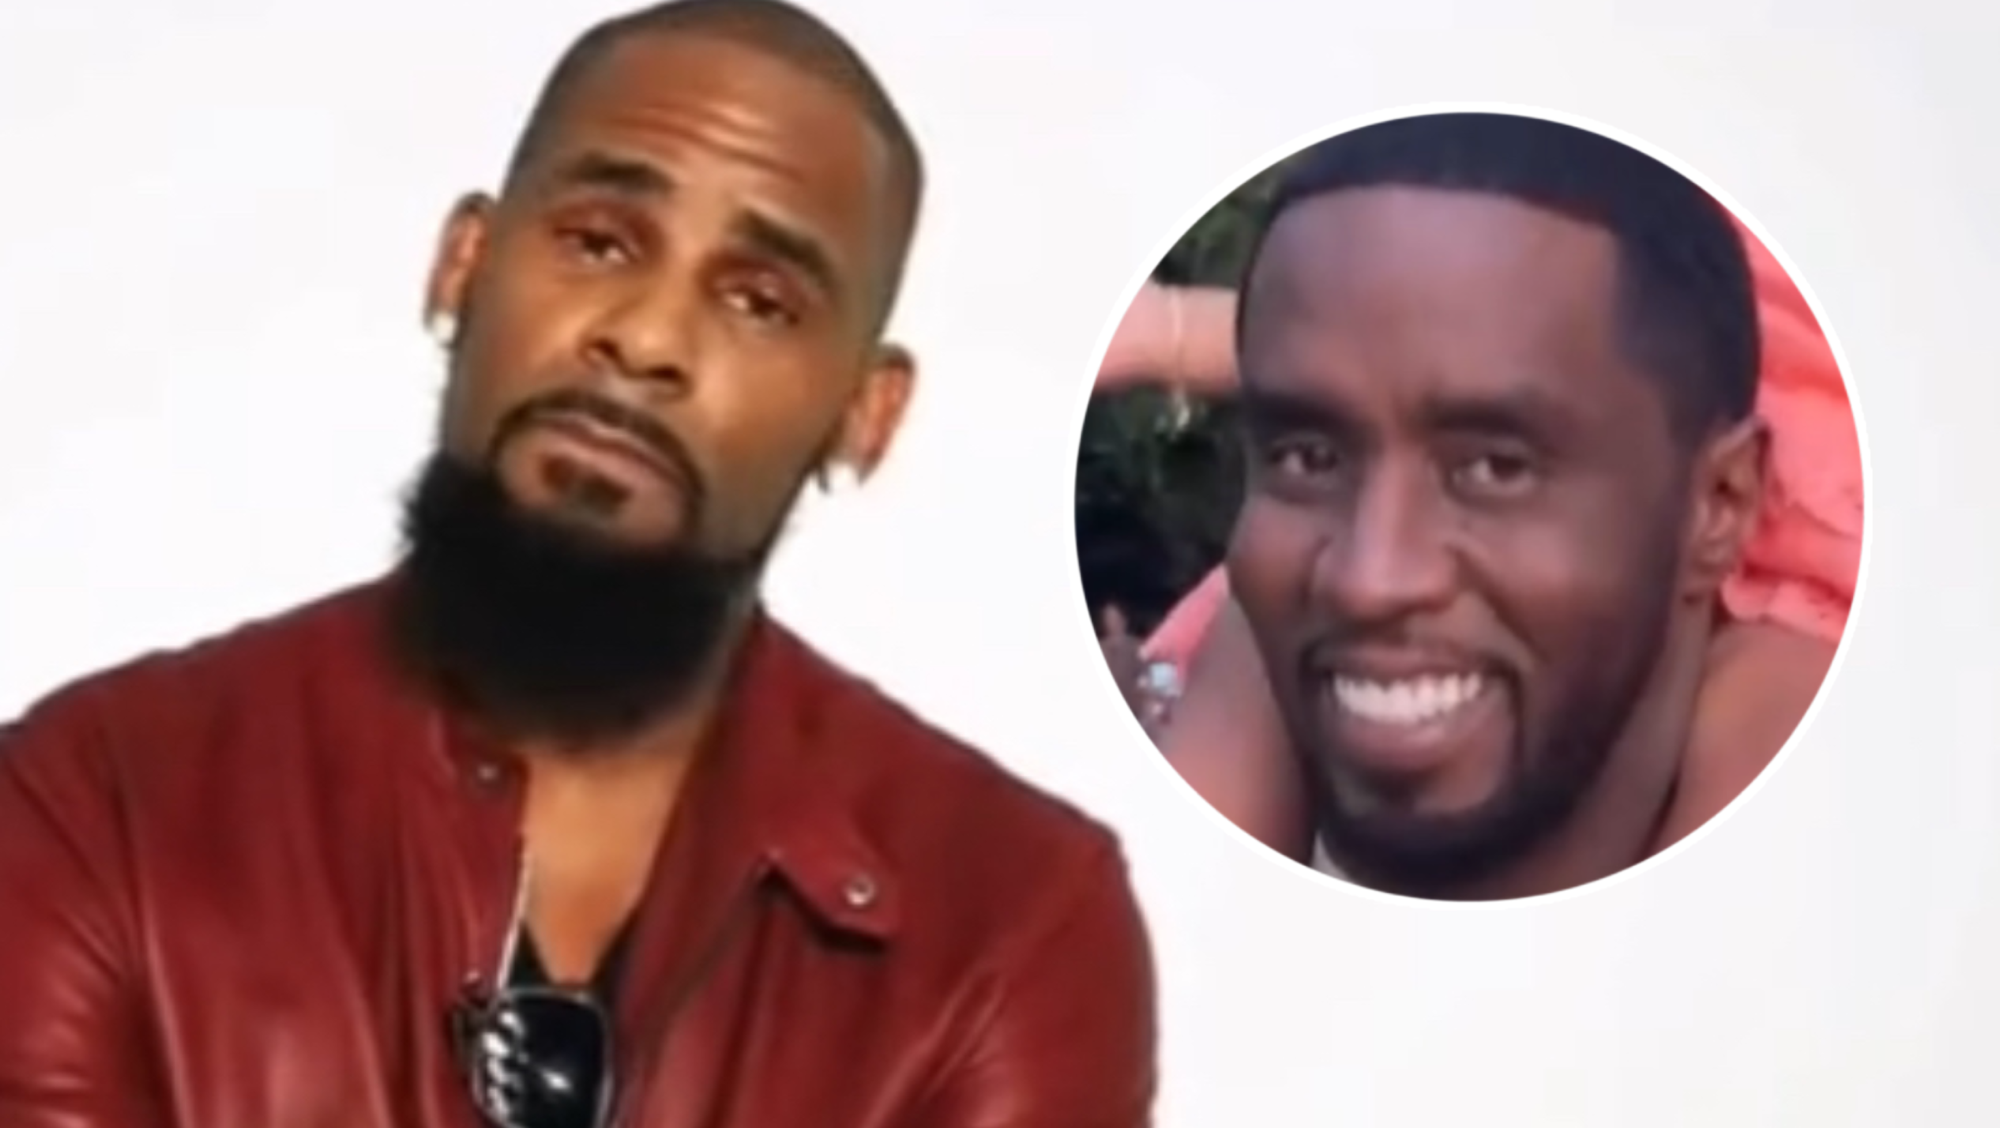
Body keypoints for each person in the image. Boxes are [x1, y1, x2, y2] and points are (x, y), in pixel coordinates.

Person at [0, 3, 1155, 1125]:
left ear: (865, 414)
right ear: (463, 263)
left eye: (759, 302)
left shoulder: (1011, 929)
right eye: (598, 242)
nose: (644, 339)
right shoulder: (98, 804)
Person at [1115, 112, 1857, 899]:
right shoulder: (1274, 623)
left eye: (1495, 469)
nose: (1370, 582)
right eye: (1308, 456)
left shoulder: (1784, 719)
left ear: (1722, 502)